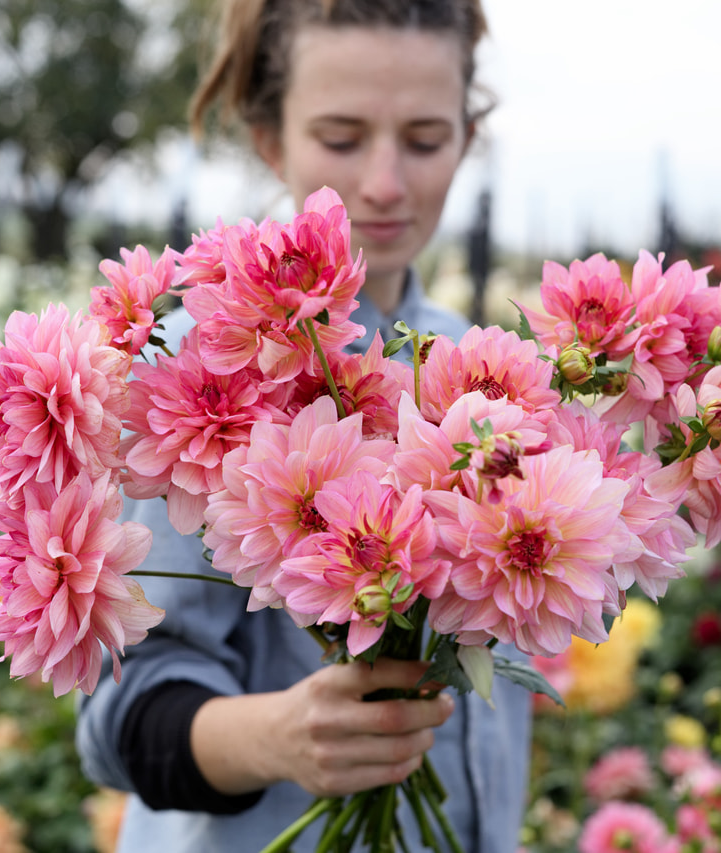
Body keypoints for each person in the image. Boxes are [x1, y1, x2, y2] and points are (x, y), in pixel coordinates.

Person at [74, 1, 532, 850]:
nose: (387, 183)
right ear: (269, 140)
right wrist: (282, 737)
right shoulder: (193, 370)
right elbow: (120, 715)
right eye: (342, 137)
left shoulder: (484, 371)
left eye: (426, 140)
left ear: (468, 138)